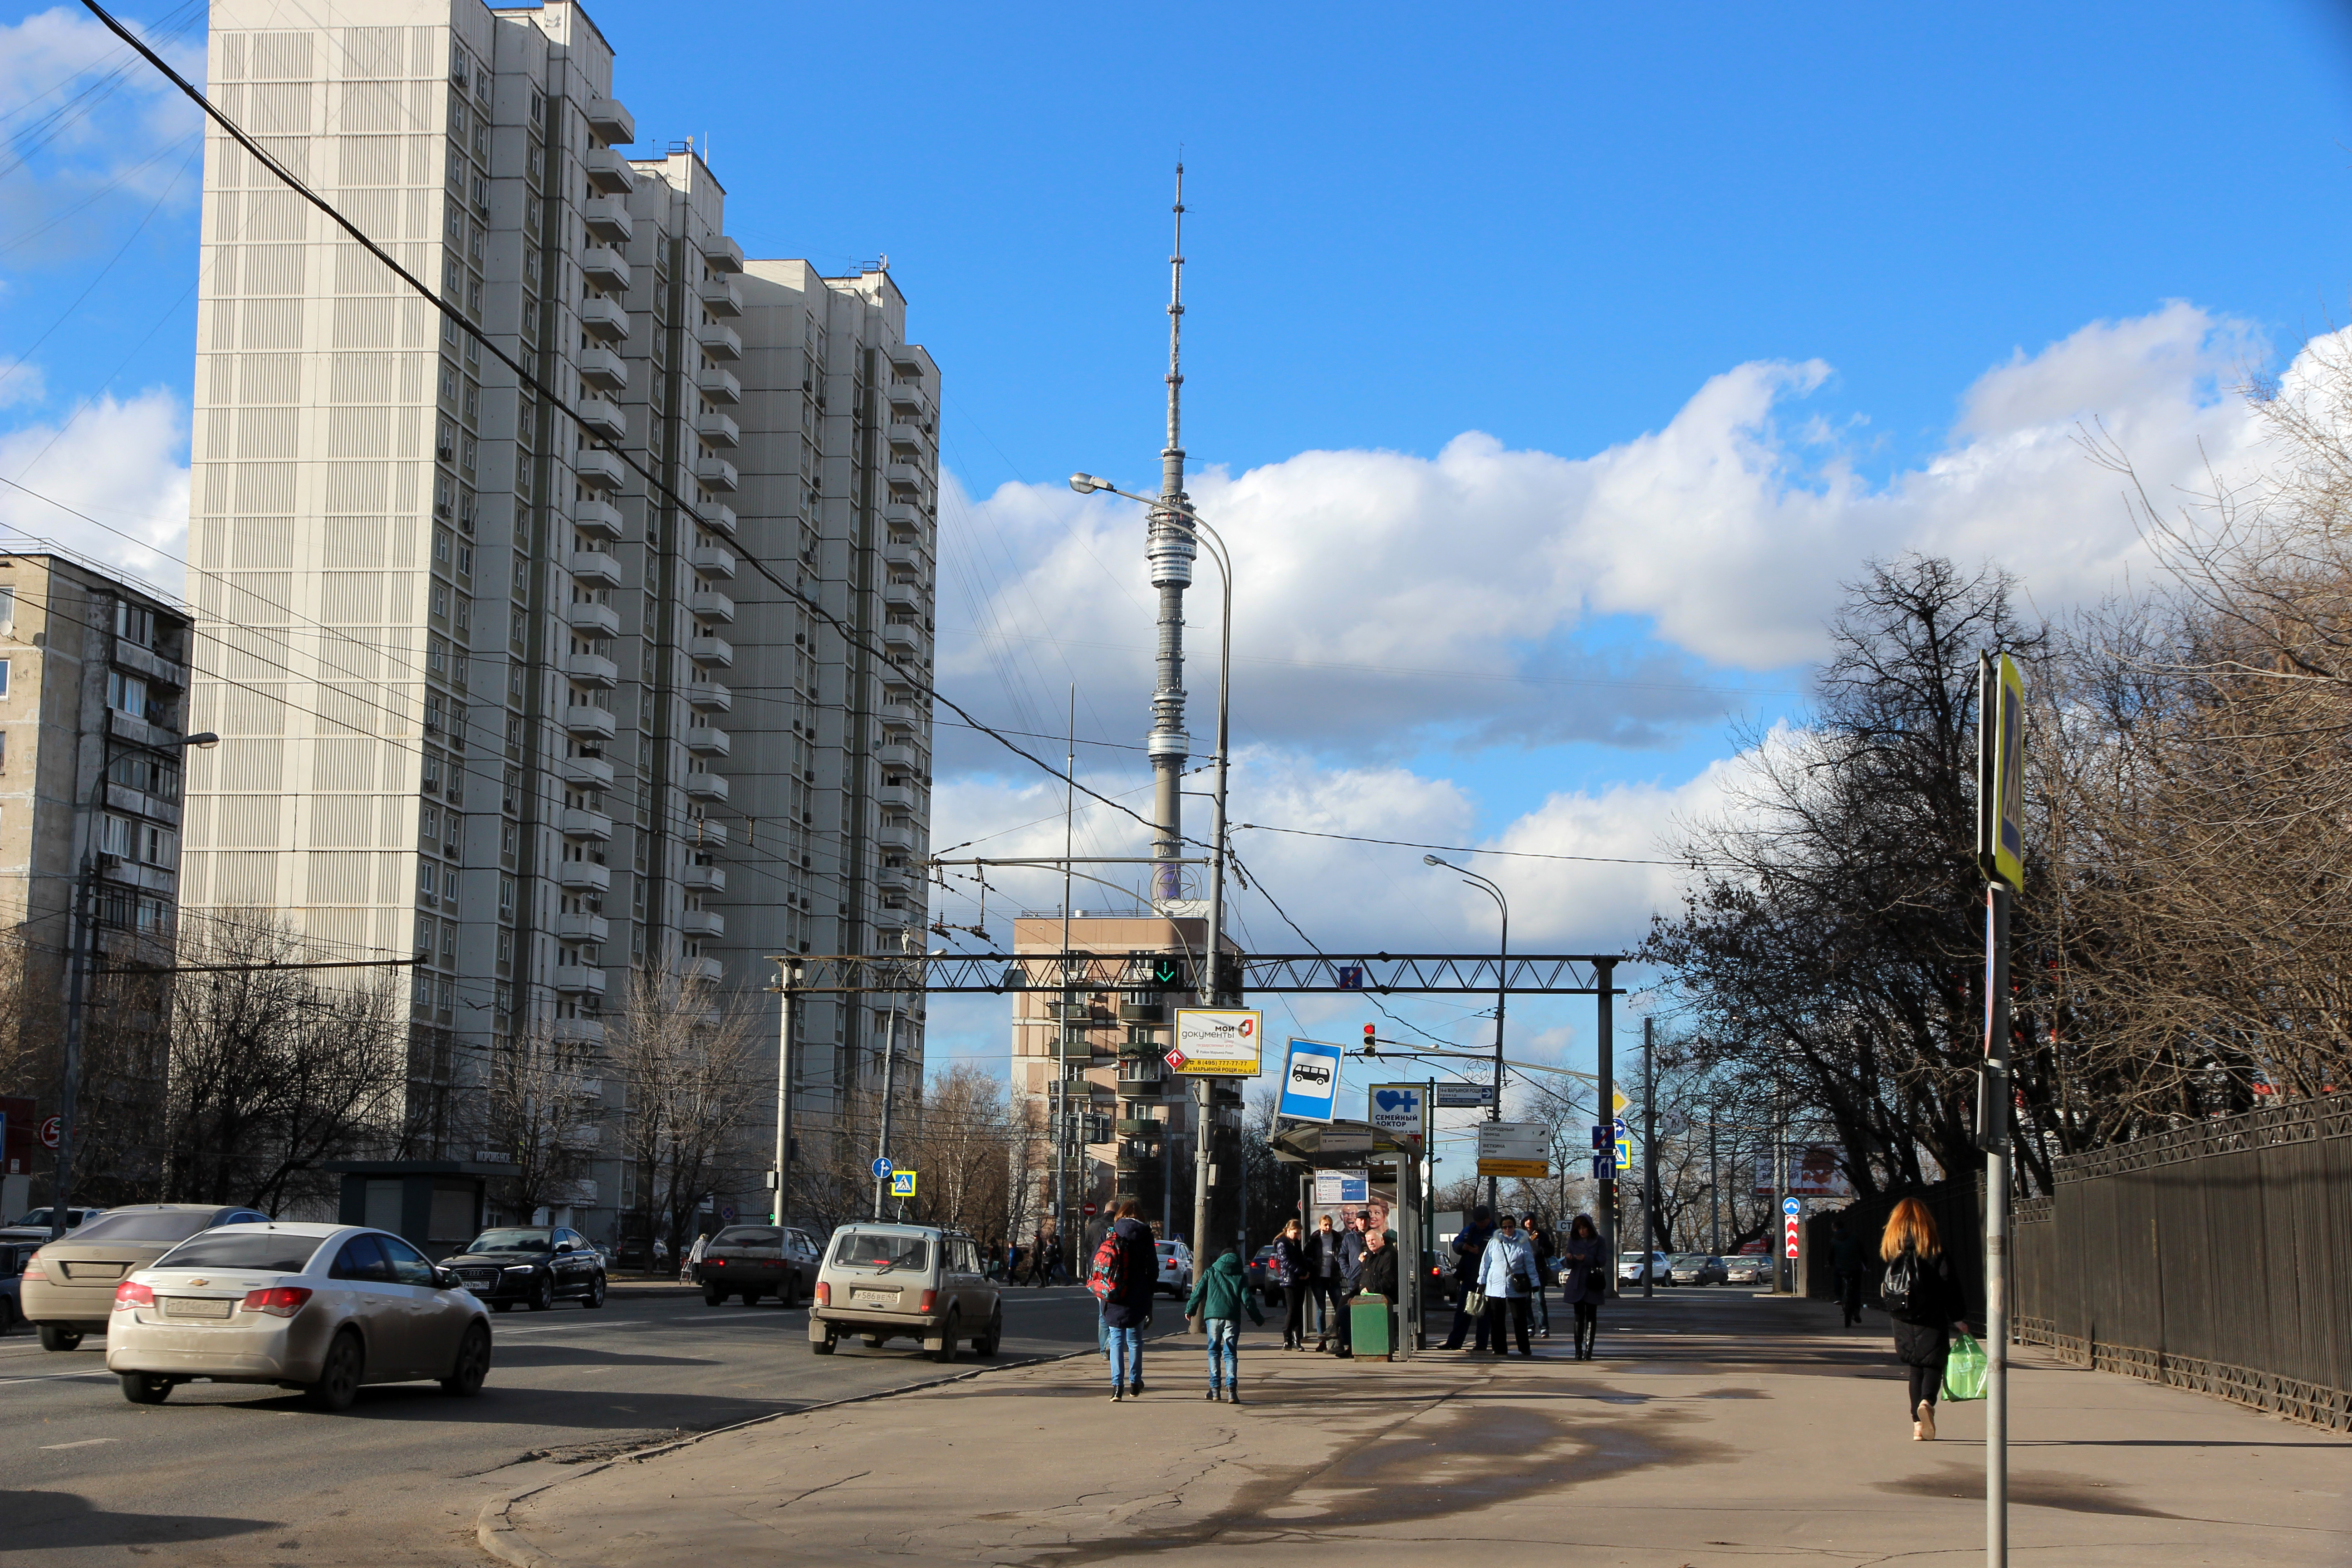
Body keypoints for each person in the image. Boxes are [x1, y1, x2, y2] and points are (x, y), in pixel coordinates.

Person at [1880, 1196, 1968, 1440]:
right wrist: (1958, 1317)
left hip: (1903, 1314)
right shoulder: (1933, 1246)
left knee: (1915, 1367)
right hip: (1932, 1314)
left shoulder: (1891, 1247)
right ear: (1925, 1221)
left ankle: (1918, 1425)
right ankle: (1927, 1402)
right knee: (1933, 1363)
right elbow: (1949, 1283)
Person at [1184, 1246, 1264, 1403]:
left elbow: (1198, 1291)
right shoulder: (1240, 1275)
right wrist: (1258, 1319)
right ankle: (1231, 1391)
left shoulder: (1211, 1272)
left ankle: (1215, 1390)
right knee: (1230, 1353)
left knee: (1214, 1352)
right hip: (1232, 1317)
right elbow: (1248, 1300)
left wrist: (1190, 1310)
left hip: (1213, 1317)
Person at [1100, 1200, 1158, 1401]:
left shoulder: (1112, 1232)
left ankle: (1117, 1387)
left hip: (1114, 1293)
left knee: (1116, 1340)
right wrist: (1149, 1292)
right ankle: (1135, 1383)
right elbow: (1153, 1268)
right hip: (1138, 1294)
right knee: (1135, 1341)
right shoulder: (1146, 1234)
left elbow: (1099, 1262)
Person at [1477, 1211, 1542, 1357]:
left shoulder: (1523, 1242)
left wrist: (1534, 1282)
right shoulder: (1494, 1243)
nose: (1508, 1229)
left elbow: (1530, 1264)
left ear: (1515, 1227)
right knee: (1496, 1319)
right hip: (1495, 1285)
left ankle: (1524, 1347)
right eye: (1505, 1227)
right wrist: (1481, 1281)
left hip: (1516, 1284)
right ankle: (1499, 1348)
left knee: (1519, 1318)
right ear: (1501, 1229)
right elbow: (1485, 1263)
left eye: (1510, 1226)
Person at [1441, 1206, 1497, 1351]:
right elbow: (1456, 1243)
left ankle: (1481, 1344)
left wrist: (1481, 1252)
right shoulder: (1470, 1229)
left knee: (1483, 1313)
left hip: (1487, 1278)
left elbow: (1498, 1252)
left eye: (1482, 1222)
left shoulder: (1495, 1232)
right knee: (1463, 1311)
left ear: (1488, 1220)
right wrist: (1463, 1247)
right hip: (1469, 1276)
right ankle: (1454, 1343)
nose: (1480, 1225)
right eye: (1477, 1222)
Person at [1558, 1213, 1606, 1360]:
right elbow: (1568, 1263)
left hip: (1593, 1281)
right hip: (1577, 1281)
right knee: (1578, 1317)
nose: (1582, 1231)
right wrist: (1569, 1259)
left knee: (1592, 1316)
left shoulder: (1599, 1241)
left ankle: (1589, 1350)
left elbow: (1603, 1260)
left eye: (1584, 1228)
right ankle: (1578, 1350)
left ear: (1590, 1228)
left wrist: (1587, 1259)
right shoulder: (1573, 1240)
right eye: (1579, 1228)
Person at [1354, 1223, 1400, 1359]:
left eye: (1373, 1240)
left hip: (1382, 1296)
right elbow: (1365, 1276)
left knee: (1346, 1310)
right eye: (1368, 1241)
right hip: (1366, 1293)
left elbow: (1388, 1281)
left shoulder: (1388, 1255)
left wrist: (1369, 1289)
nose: (1371, 1243)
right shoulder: (1371, 1256)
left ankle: (1350, 1344)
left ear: (1382, 1240)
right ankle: (1343, 1342)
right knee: (1344, 1304)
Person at [1303, 1214, 1346, 1352]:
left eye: (1330, 1225)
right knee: (1321, 1309)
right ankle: (1321, 1341)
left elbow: (1342, 1255)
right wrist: (1311, 1267)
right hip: (1318, 1279)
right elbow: (1307, 1257)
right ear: (1320, 1226)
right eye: (1325, 1225)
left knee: (1340, 1308)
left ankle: (1339, 1338)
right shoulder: (1314, 1240)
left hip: (1333, 1278)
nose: (1328, 1228)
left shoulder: (1338, 1238)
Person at [1333, 1213, 1369, 1358]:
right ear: (1356, 1222)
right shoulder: (1350, 1238)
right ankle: (1346, 1343)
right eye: (1360, 1220)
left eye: (1365, 1220)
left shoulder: (1374, 1236)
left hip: (1369, 1281)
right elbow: (1342, 1256)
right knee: (1349, 1310)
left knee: (1351, 1308)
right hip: (1354, 1279)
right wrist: (1348, 1271)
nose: (1363, 1222)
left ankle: (1336, 1332)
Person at [1270, 1220, 1310, 1350]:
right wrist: (1301, 1271)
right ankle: (1287, 1339)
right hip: (1289, 1280)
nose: (1298, 1236)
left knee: (1299, 1311)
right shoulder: (1283, 1243)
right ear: (1288, 1231)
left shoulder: (1296, 1243)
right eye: (1296, 1233)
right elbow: (1285, 1261)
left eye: (1299, 1233)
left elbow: (1301, 1258)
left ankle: (1297, 1339)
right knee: (1292, 1310)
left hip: (1300, 1280)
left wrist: (1306, 1271)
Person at [1831, 1215, 1867, 1328]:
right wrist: (1866, 1264)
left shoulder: (1834, 1240)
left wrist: (1831, 1264)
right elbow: (1862, 1253)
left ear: (1834, 1228)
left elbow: (1831, 1256)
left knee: (1837, 1276)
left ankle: (1838, 1297)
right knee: (1856, 1288)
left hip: (1841, 1268)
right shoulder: (1854, 1237)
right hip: (1855, 1268)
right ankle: (1856, 1309)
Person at [1522, 1214, 1555, 1339]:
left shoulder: (1541, 1235)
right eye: (1526, 1220)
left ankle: (1544, 1328)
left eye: (1531, 1219)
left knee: (1540, 1300)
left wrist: (1541, 1250)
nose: (1529, 1222)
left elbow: (1550, 1251)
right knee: (1526, 1301)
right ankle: (1530, 1327)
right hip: (1524, 1273)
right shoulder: (1520, 1235)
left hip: (1538, 1272)